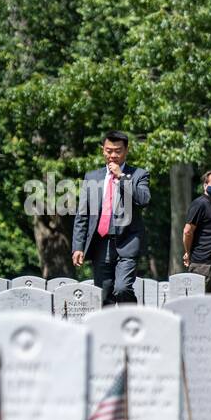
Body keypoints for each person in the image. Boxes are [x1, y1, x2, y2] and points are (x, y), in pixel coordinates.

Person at [71, 130, 150, 304]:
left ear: (126, 150)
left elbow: (144, 200)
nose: (113, 155)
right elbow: (82, 214)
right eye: (109, 150)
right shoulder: (92, 177)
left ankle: (132, 320)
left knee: (122, 288)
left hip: (128, 242)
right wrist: (78, 246)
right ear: (102, 150)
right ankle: (107, 330)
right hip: (101, 243)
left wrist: (121, 177)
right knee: (104, 295)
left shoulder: (139, 175)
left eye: (118, 151)